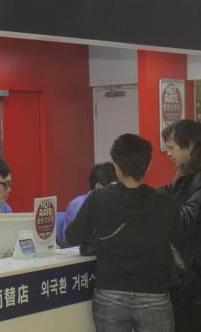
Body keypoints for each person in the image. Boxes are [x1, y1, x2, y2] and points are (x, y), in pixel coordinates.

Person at [66, 133, 181, 332]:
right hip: (154, 291)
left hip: (110, 293)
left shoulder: (98, 199)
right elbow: (181, 242)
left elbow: (72, 236)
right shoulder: (166, 204)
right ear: (149, 166)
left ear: (116, 167)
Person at [159, 119, 201, 332]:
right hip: (194, 278)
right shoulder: (189, 173)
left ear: (190, 145)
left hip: (198, 279)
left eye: (171, 147)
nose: (168, 154)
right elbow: (169, 191)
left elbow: (184, 224)